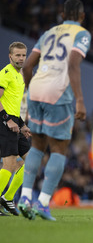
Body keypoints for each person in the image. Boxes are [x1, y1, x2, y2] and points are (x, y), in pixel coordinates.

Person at [18, 0, 91, 221]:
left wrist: (31, 90)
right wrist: (79, 99)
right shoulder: (82, 34)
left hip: (36, 89)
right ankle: (42, 204)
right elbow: (72, 64)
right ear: (81, 16)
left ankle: (25, 198)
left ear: (62, 14)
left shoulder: (48, 33)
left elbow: (28, 65)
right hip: (57, 93)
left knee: (38, 146)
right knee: (58, 149)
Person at [0, 42, 31, 216]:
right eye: (17, 55)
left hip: (14, 123)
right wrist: (7, 120)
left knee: (31, 162)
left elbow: (13, 105)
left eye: (23, 55)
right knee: (10, 164)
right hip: (4, 122)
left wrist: (21, 124)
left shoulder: (20, 76)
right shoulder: (6, 73)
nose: (21, 58)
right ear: (10, 56)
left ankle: (8, 198)